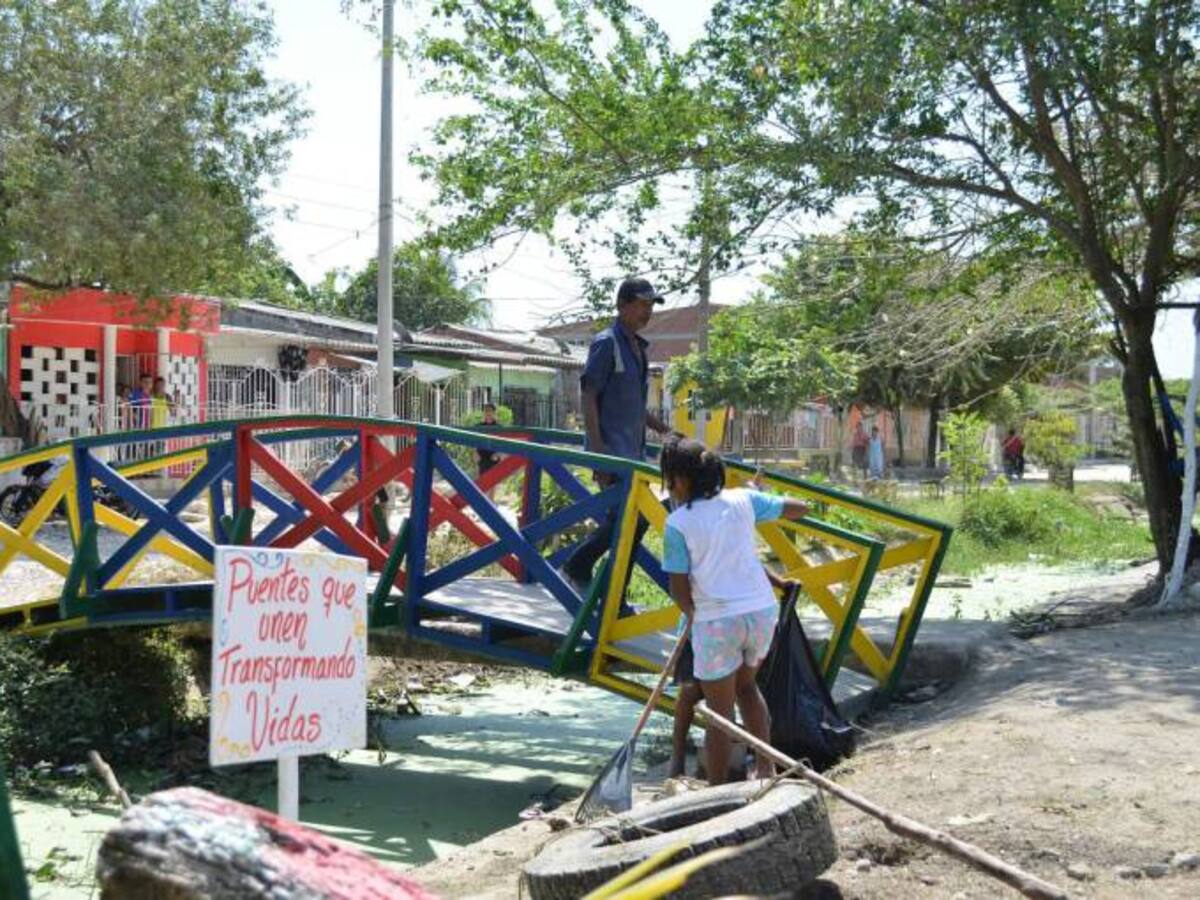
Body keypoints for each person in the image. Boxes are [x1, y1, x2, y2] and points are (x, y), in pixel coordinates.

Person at [660, 436, 809, 784]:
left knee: (720, 714)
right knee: (747, 690)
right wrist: (754, 496)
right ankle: (767, 769)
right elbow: (798, 507)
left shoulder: (678, 523)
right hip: (760, 614)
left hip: (717, 622)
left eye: (670, 482)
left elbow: (679, 589)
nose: (670, 489)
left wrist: (695, 617)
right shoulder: (743, 500)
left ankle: (717, 790)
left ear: (681, 481)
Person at [561, 277, 670, 595]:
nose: (646, 312)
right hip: (611, 452)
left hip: (632, 453)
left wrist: (664, 430)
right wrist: (599, 455)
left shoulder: (639, 348)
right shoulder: (607, 342)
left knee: (635, 522)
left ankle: (605, 590)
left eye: (650, 306)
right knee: (630, 521)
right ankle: (587, 575)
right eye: (641, 305)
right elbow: (589, 396)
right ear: (622, 305)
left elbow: (634, 405)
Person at [476, 402, 500, 476]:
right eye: (486, 411)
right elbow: (474, 440)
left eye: (490, 411)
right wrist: (475, 453)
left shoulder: (499, 427)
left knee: (493, 481)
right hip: (482, 457)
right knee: (482, 482)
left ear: (494, 412)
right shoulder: (478, 426)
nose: (488, 413)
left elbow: (503, 442)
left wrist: (498, 454)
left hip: (493, 457)